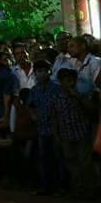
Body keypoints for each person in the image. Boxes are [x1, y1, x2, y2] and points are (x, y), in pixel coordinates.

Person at [53, 68, 95, 199]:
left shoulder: (81, 94)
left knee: (85, 163)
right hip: (66, 135)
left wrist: (78, 96)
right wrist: (56, 135)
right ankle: (78, 190)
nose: (70, 83)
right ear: (61, 82)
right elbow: (54, 118)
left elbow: (92, 110)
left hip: (82, 133)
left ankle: (90, 190)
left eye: (72, 80)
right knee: (72, 164)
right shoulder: (56, 98)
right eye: (67, 80)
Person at [27, 60, 63, 195]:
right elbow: (30, 106)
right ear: (35, 73)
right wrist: (34, 116)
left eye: (45, 71)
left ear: (50, 71)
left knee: (58, 158)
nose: (42, 74)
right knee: (44, 158)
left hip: (57, 129)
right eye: (39, 71)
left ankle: (59, 187)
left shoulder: (56, 88)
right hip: (42, 129)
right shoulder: (35, 90)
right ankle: (45, 186)